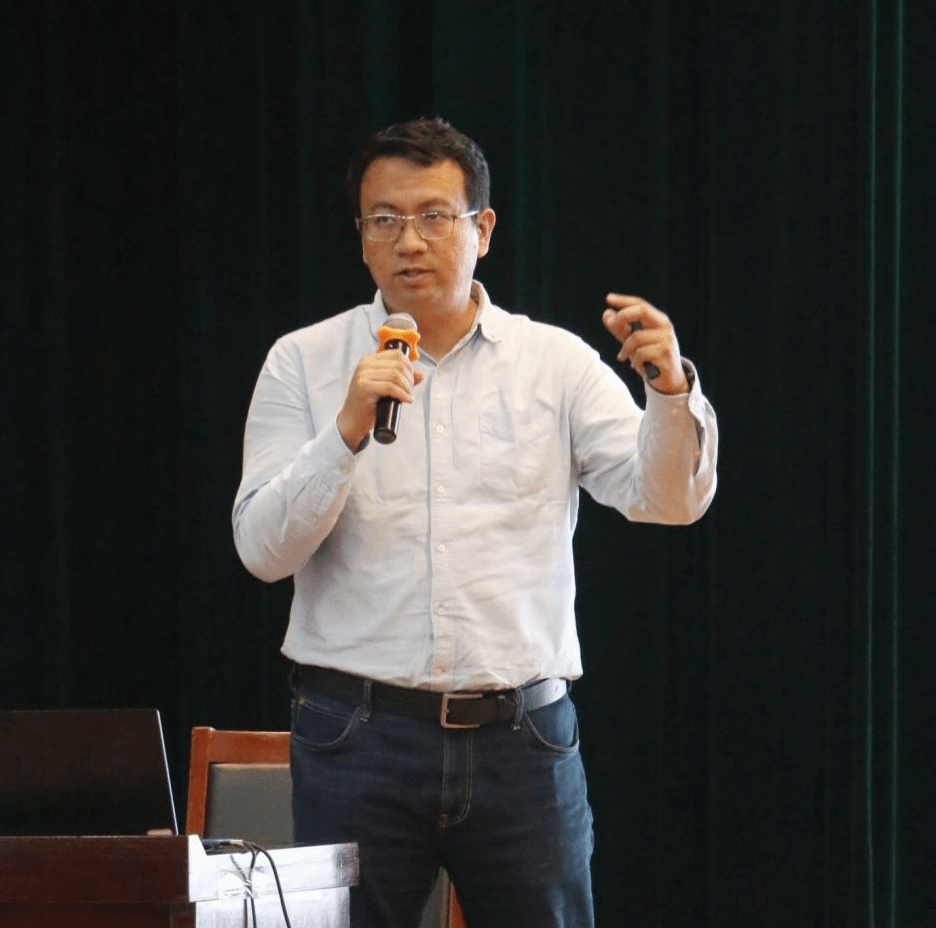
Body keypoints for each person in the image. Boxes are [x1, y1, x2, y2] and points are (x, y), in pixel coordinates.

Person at [231, 116, 718, 928]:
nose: (409, 241)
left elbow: (667, 500)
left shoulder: (554, 364)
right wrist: (345, 432)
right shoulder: (303, 361)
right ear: (361, 237)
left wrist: (670, 393)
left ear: (482, 230)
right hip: (356, 736)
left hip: (523, 740)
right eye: (384, 219)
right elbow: (261, 551)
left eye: (434, 216)